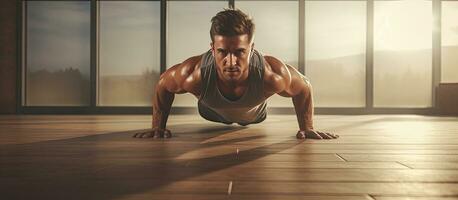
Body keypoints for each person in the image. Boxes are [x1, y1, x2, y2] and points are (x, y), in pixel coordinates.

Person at [134, 8, 338, 140]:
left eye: (239, 52)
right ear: (212, 49)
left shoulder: (271, 74)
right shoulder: (194, 73)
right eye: (222, 52)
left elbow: (303, 86)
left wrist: (307, 127)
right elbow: (163, 83)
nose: (231, 61)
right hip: (210, 112)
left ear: (251, 48)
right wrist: (157, 127)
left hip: (255, 115)